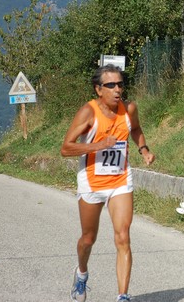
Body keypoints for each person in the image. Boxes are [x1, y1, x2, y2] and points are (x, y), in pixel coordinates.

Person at [61, 64, 155, 302]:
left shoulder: (129, 109)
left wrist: (143, 149)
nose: (117, 90)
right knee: (88, 239)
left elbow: (136, 130)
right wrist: (98, 145)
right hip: (92, 181)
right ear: (98, 89)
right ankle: (81, 274)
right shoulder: (88, 112)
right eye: (110, 85)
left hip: (120, 179)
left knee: (123, 235)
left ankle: (123, 296)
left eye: (120, 84)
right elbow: (66, 148)